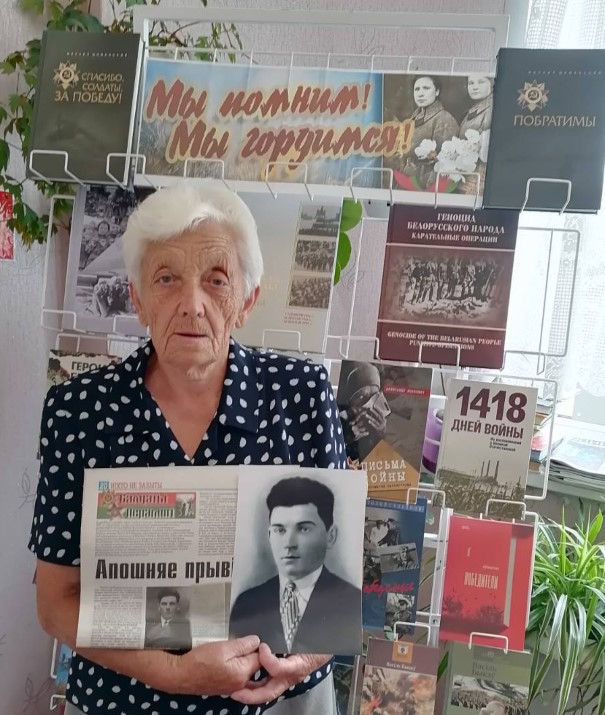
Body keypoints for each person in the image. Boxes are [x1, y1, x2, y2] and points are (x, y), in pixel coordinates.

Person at [29, 181, 349, 715]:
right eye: (166, 279)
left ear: (246, 301)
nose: (192, 305)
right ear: (137, 299)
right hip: (125, 700)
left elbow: (336, 589)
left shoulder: (302, 393)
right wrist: (176, 673)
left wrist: (300, 662)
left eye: (216, 280)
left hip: (277, 702)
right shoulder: (77, 411)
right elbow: (56, 602)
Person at [230, 476, 361, 655]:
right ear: (269, 535)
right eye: (280, 530)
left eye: (303, 529)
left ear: (330, 536)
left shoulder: (352, 603)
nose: (289, 543)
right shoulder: (246, 603)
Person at [401, 75, 459, 188]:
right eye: (417, 89)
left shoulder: (444, 119)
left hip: (425, 183)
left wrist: (429, 189)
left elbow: (443, 163)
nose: (420, 94)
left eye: (426, 88)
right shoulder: (413, 119)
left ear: (437, 91)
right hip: (407, 178)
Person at [338, 362, 391, 463]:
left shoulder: (379, 424)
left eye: (375, 395)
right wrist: (344, 438)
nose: (370, 403)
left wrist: (381, 436)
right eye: (362, 396)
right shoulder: (334, 419)